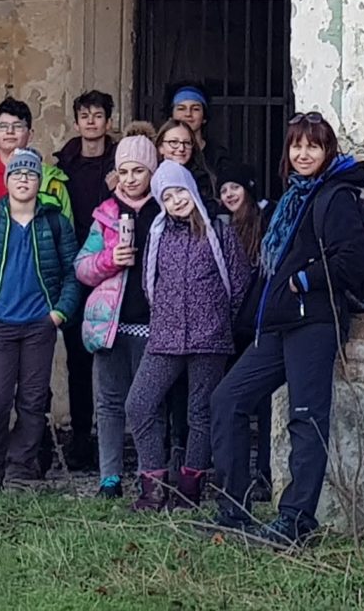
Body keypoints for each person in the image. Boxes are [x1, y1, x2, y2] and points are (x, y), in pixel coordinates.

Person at [210, 113, 364, 547]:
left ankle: (297, 520)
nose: (303, 154)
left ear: (327, 151)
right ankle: (234, 509)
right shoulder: (292, 199)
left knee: (305, 417)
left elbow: (355, 260)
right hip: (279, 324)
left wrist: (305, 279)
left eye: (313, 146)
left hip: (314, 324)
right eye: (296, 145)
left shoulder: (334, 197)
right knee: (228, 399)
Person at [124, 161, 249, 511]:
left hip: (210, 337)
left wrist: (219, 319)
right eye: (167, 197)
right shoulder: (159, 234)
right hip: (165, 336)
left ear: (191, 189)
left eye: (180, 191)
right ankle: (154, 489)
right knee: (139, 404)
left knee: (200, 413)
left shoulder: (219, 231)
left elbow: (239, 283)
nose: (176, 201)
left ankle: (189, 491)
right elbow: (150, 282)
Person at [0, 148, 82, 487]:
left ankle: (21, 467)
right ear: (7, 180)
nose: (24, 179)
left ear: (39, 181)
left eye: (30, 174)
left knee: (32, 401)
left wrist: (58, 314)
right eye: (17, 173)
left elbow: (72, 275)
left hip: (39, 326)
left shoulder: (56, 224)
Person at [73, 132, 160, 498]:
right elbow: (82, 267)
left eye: (138, 170)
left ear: (152, 172)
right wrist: (110, 260)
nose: (130, 178)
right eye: (123, 171)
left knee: (147, 404)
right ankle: (109, 478)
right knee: (109, 403)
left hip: (153, 323)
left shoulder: (164, 211)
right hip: (110, 323)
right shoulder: (106, 214)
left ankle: (149, 474)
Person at [53, 90, 119, 471]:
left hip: (112, 268)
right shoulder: (63, 166)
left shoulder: (121, 163)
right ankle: (81, 439)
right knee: (77, 359)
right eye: (85, 116)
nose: (91, 122)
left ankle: (116, 439)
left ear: (109, 121)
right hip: (73, 268)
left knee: (115, 356)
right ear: (76, 122)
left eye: (98, 115)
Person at [218, 177, 275, 504]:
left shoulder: (266, 223)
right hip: (232, 325)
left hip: (259, 322)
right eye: (224, 190)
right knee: (228, 400)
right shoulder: (222, 228)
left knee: (264, 402)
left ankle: (264, 473)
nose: (229, 195)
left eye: (235, 187)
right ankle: (230, 476)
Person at [0, 97, 71, 228]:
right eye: (3, 126)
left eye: (17, 126)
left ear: (30, 135)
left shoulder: (51, 181)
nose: (10, 131)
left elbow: (67, 232)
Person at [157, 114, 219, 206]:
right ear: (160, 147)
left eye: (187, 143)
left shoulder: (203, 179)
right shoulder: (150, 178)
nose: (181, 148)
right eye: (174, 142)